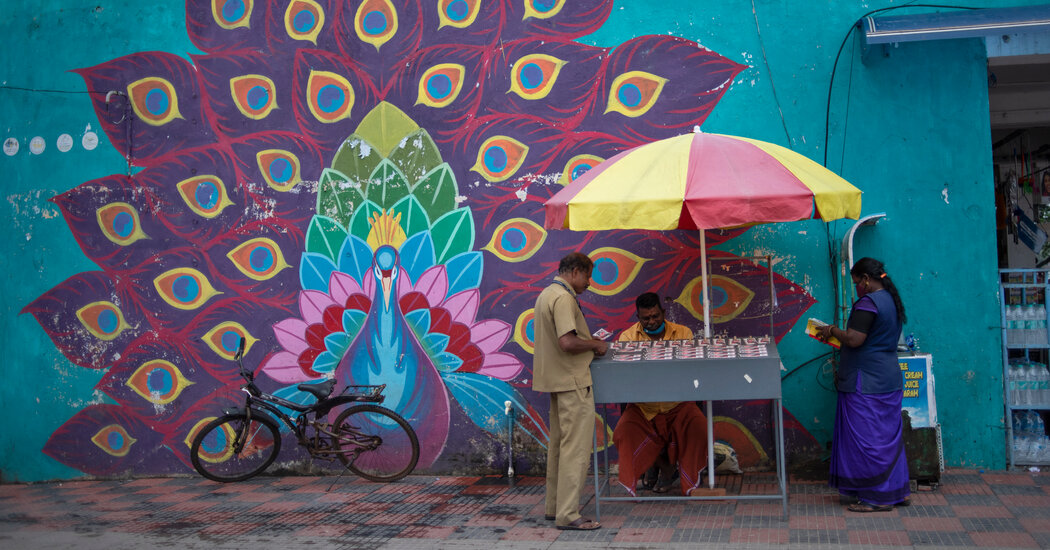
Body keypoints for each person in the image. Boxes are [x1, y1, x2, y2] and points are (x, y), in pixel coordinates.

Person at [817, 257, 911, 512]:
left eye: (857, 282)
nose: (856, 287)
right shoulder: (891, 299)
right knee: (888, 437)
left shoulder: (869, 303)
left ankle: (876, 497)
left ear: (866, 280)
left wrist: (832, 330)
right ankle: (896, 491)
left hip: (865, 381)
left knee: (868, 440)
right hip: (888, 377)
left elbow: (855, 339)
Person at [531, 252, 608, 530]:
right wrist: (595, 344)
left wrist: (586, 340)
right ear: (575, 271)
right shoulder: (564, 298)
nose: (589, 282)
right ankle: (568, 515)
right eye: (588, 275)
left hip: (557, 381)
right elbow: (567, 342)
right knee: (575, 450)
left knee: (559, 448)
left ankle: (555, 507)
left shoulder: (547, 294)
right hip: (573, 381)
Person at [612, 292, 709, 496]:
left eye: (655, 316)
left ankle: (676, 474)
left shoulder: (683, 333)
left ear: (663, 312)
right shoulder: (627, 337)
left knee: (699, 425)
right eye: (646, 318)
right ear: (638, 317)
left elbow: (688, 370)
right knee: (623, 432)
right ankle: (663, 467)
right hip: (643, 407)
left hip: (677, 403)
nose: (652, 321)